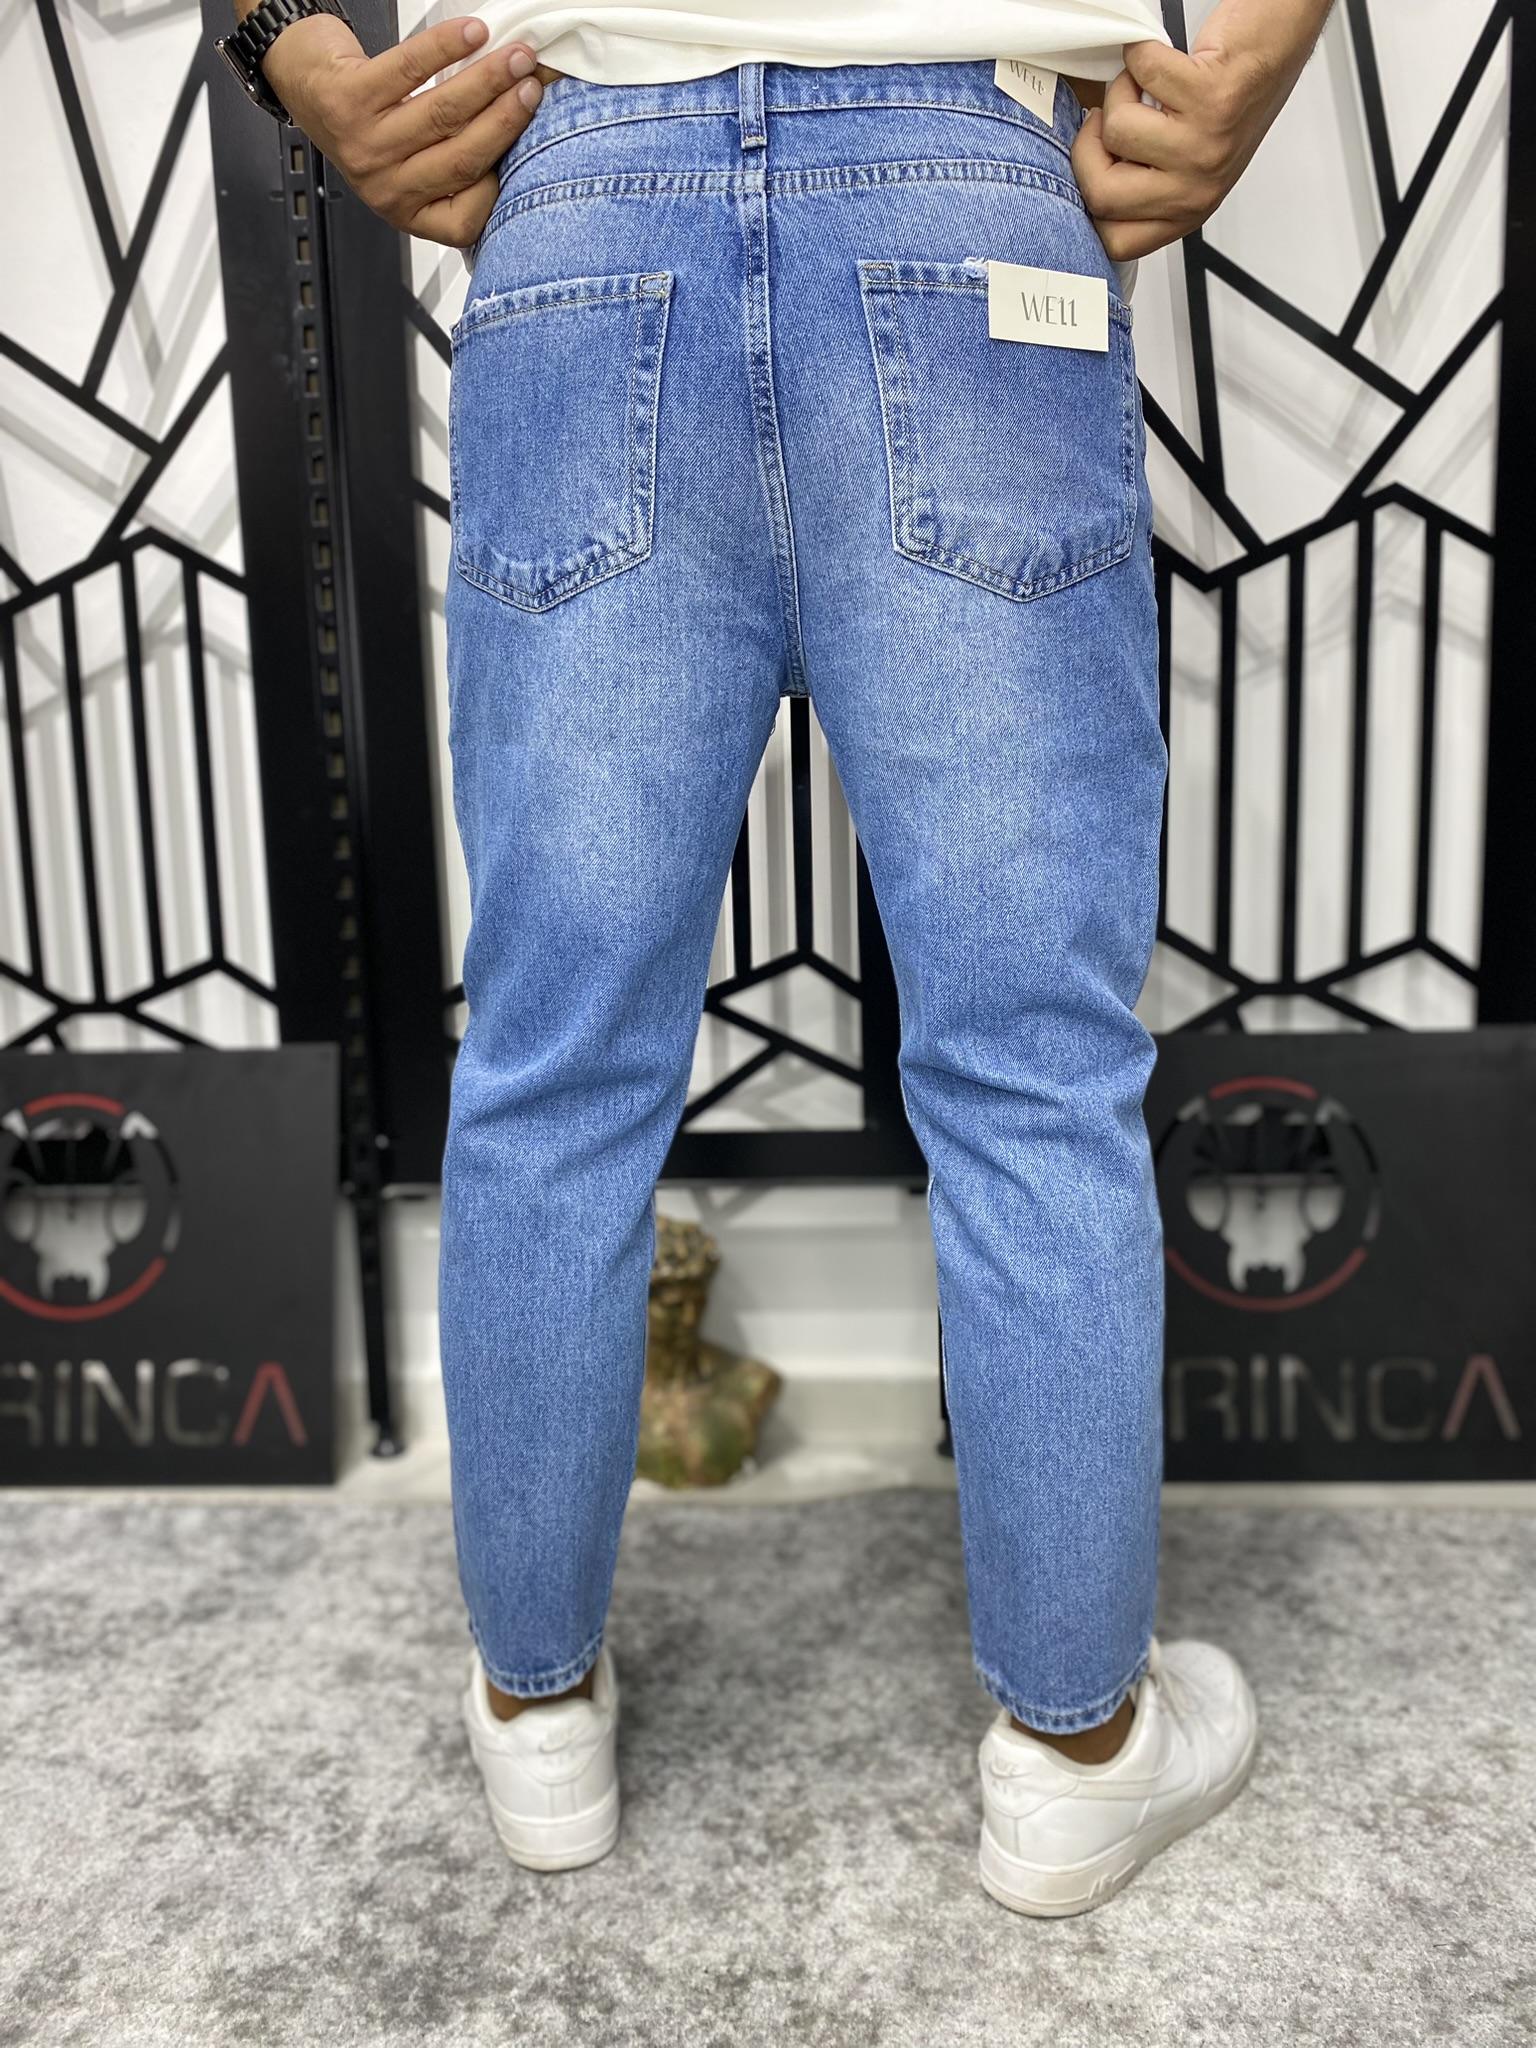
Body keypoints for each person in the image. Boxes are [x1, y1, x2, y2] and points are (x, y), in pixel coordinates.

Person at [239, 0, 1335, 1917]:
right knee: (1032, 1069)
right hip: (964, 194)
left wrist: (284, 43)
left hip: (585, 211)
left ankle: (536, 1714)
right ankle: (1077, 1760)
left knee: (554, 1070)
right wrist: (1262, 38)